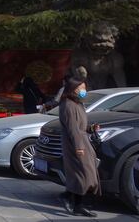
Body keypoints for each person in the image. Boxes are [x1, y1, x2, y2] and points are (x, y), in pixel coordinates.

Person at [58, 77, 100, 217]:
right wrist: (78, 147)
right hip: (76, 145)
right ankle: (69, 198)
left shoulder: (77, 104)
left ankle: (77, 204)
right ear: (73, 89)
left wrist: (90, 128)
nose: (84, 91)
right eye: (80, 88)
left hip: (82, 142)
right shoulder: (68, 105)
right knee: (83, 174)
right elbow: (73, 129)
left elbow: (79, 127)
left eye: (84, 88)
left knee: (83, 175)